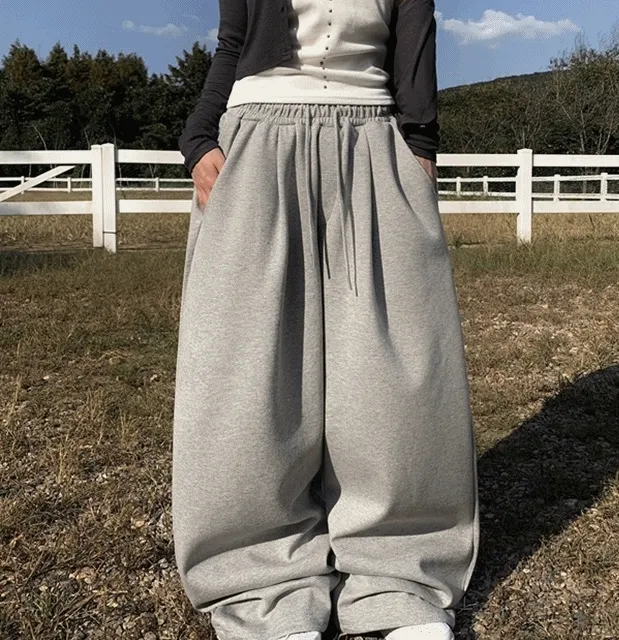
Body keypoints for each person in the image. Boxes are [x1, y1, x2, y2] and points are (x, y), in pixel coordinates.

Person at [171, 1, 479, 639]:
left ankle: (399, 578)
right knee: (249, 368)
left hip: (376, 139)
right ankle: (263, 585)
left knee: (397, 369)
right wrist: (198, 140)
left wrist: (420, 147)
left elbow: (416, 43)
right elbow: (232, 42)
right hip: (254, 140)